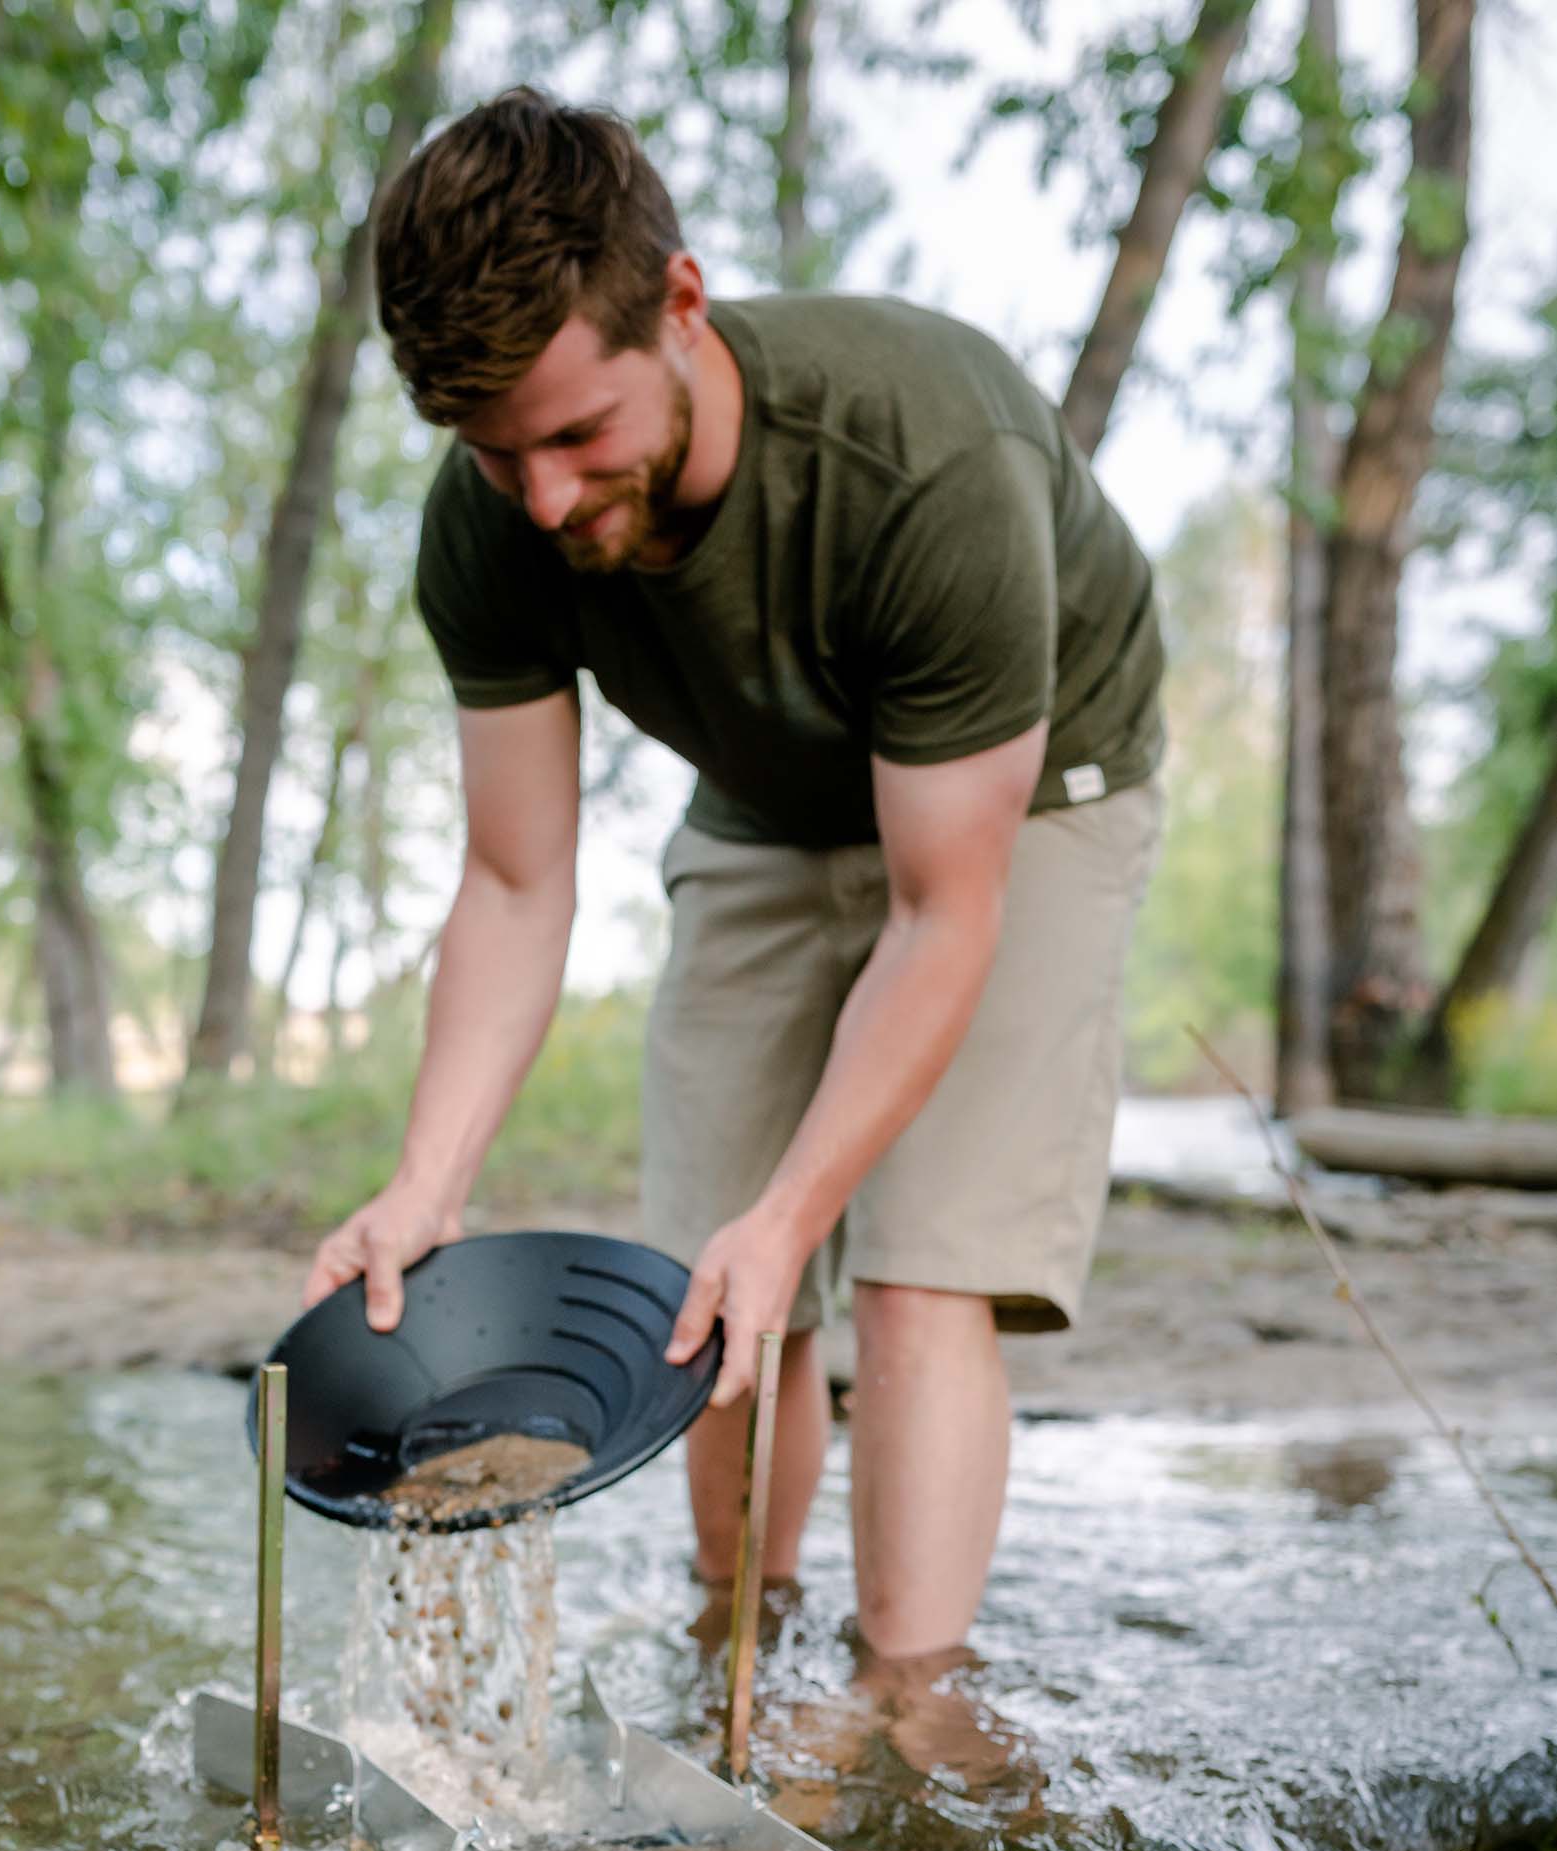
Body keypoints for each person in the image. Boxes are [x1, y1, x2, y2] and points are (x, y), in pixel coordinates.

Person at [304, 86, 1164, 1666]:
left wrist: (801, 1207)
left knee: (909, 1267)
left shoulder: (924, 461)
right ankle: (736, 1657)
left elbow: (941, 911)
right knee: (703, 1280)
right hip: (763, 797)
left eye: (578, 435)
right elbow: (513, 883)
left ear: (681, 307)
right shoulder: (488, 526)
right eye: (495, 454)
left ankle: (906, 1710)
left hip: (1023, 799)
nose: (544, 498)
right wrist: (425, 1186)